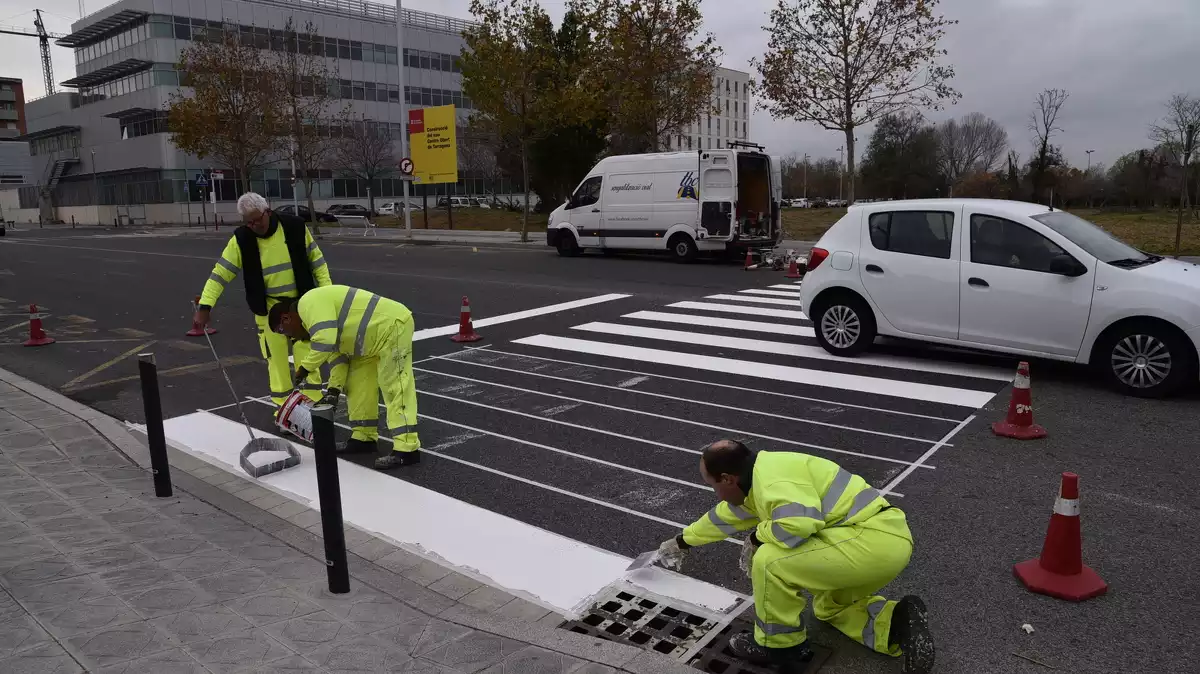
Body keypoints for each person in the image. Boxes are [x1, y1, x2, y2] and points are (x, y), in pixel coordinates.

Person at [655, 440, 933, 674]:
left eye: (713, 485)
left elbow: (798, 525)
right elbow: (725, 518)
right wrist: (682, 541)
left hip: (867, 543)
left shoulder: (773, 481)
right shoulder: (760, 477)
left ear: (728, 478)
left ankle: (780, 646)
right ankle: (896, 622)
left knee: (770, 561)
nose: (716, 493)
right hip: (879, 542)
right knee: (828, 608)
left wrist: (755, 538)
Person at [195, 192, 331, 407]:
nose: (255, 225)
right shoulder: (241, 240)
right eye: (249, 222)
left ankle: (313, 404)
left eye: (258, 219)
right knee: (276, 362)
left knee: (308, 357)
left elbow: (318, 262)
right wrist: (205, 306)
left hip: (300, 305)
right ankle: (284, 409)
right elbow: (219, 275)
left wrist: (327, 295)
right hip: (268, 309)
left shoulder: (295, 227)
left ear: (268, 211)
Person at [268, 284, 420, 470]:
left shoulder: (309, 303)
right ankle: (363, 437)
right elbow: (337, 359)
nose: (289, 339)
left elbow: (326, 340)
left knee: (394, 384)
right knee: (356, 386)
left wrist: (304, 369)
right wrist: (333, 390)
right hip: (367, 344)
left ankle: (407, 448)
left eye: (283, 332)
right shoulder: (314, 327)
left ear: (286, 318)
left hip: (391, 327)